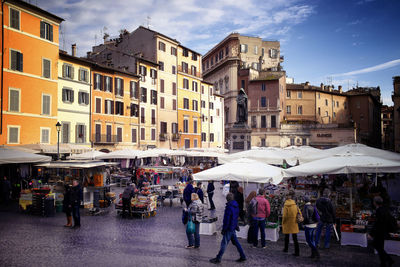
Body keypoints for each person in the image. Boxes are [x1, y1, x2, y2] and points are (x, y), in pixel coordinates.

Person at [210, 193, 246, 264]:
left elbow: (227, 220)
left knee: (224, 243)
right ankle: (243, 256)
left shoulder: (229, 207)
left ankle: (218, 258)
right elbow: (235, 217)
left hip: (229, 228)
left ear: (227, 199)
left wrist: (224, 229)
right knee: (236, 243)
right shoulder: (236, 206)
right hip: (233, 227)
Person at [370, 196, 395, 267]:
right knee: (379, 247)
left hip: (380, 232)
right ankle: (384, 263)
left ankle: (389, 260)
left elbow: (378, 223)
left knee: (377, 246)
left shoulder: (379, 211)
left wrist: (372, 234)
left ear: (375, 203)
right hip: (384, 231)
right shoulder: (384, 209)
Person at [282, 190, 300, 256]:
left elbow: (284, 216)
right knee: (295, 238)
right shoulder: (295, 204)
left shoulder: (286, 205)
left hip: (287, 223)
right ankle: (297, 252)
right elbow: (299, 212)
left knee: (286, 237)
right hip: (294, 223)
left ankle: (286, 249)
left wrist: (283, 222)